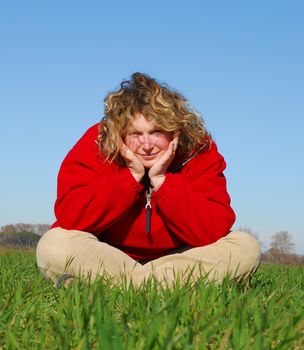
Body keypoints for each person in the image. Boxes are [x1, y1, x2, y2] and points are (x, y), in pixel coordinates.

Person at [36, 72, 261, 288]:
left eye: (157, 132)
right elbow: (71, 216)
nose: (146, 144)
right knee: (52, 245)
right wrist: (131, 178)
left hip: (178, 259)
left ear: (175, 130)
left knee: (246, 247)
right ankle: (158, 287)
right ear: (120, 132)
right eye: (135, 134)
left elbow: (213, 229)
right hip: (109, 256)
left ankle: (123, 285)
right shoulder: (97, 142)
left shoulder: (199, 150)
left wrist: (163, 181)